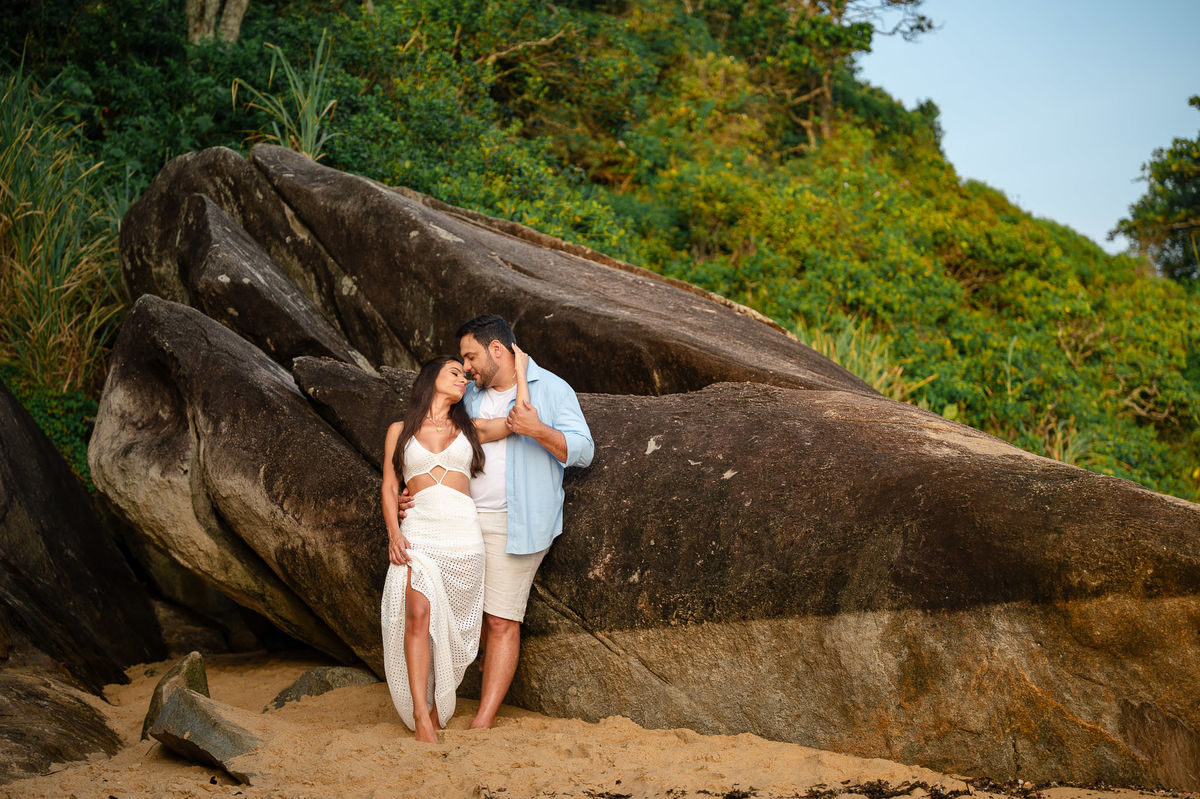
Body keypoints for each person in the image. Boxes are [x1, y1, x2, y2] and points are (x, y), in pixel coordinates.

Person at [379, 354, 529, 742]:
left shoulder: (471, 428)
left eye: (465, 375)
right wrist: (394, 532)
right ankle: (421, 713)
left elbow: (519, 420)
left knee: (445, 624)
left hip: (463, 534)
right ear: (431, 379)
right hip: (419, 531)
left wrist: (523, 374)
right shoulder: (399, 430)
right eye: (454, 373)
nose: (463, 379)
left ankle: (434, 702)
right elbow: (390, 487)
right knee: (417, 612)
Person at [456, 314, 594, 729]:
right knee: (461, 613)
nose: (466, 367)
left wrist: (537, 430)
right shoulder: (470, 395)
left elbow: (583, 451)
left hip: (516, 523)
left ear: (497, 349)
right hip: (459, 516)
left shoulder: (550, 388)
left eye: (471, 356)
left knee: (500, 618)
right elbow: (443, 437)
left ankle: (482, 720)